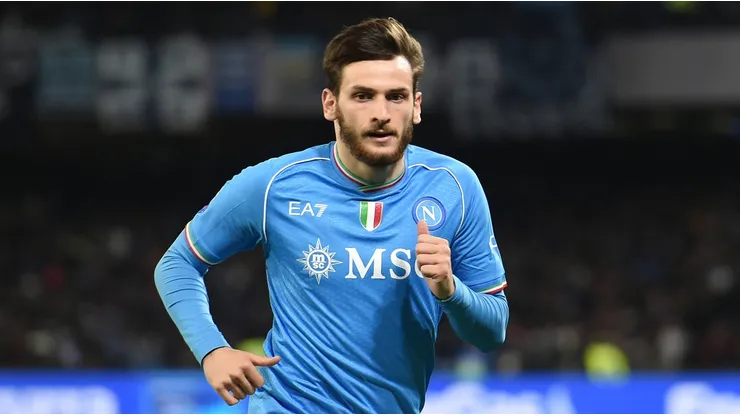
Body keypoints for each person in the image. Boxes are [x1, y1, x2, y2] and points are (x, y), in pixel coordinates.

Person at [154, 16, 509, 414]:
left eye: (396, 97)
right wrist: (212, 350)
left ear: (416, 106)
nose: (381, 113)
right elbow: (177, 264)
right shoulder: (273, 185)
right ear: (330, 104)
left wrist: (450, 290)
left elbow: (492, 331)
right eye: (363, 96)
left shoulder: (455, 187)